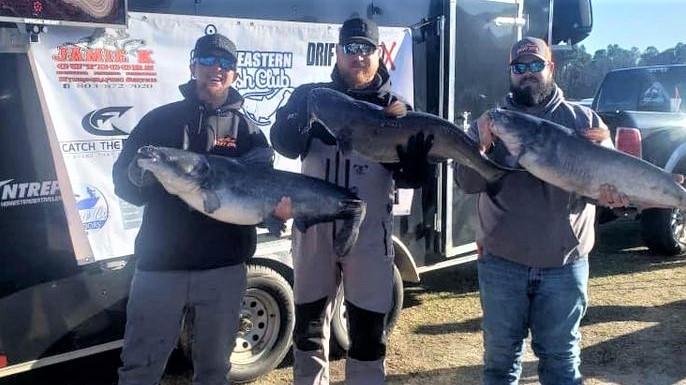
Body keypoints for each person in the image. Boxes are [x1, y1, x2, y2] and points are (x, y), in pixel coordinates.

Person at [112, 32, 285, 385]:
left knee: (214, 371)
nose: (215, 69)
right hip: (160, 268)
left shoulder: (250, 133)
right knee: (139, 370)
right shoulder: (159, 121)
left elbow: (263, 195)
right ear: (193, 67)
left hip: (224, 270)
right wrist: (138, 177)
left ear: (235, 74)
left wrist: (274, 215)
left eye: (225, 64)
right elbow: (124, 184)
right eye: (207, 61)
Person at [454, 37, 628, 385]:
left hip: (565, 264)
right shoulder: (492, 122)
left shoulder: (584, 120)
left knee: (561, 361)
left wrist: (613, 198)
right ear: (510, 73)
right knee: (500, 363)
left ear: (551, 68)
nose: (527, 74)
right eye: (519, 67)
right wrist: (482, 146)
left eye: (536, 65)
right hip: (502, 262)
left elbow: (610, 186)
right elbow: (467, 184)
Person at [270, 17, 432, 385]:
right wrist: (294, 123)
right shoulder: (312, 96)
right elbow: (284, 144)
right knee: (309, 327)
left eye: (366, 49)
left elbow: (412, 179)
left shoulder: (395, 107)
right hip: (314, 227)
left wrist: (416, 167)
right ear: (338, 53)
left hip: (369, 233)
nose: (358, 57)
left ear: (379, 54)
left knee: (368, 330)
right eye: (350, 49)